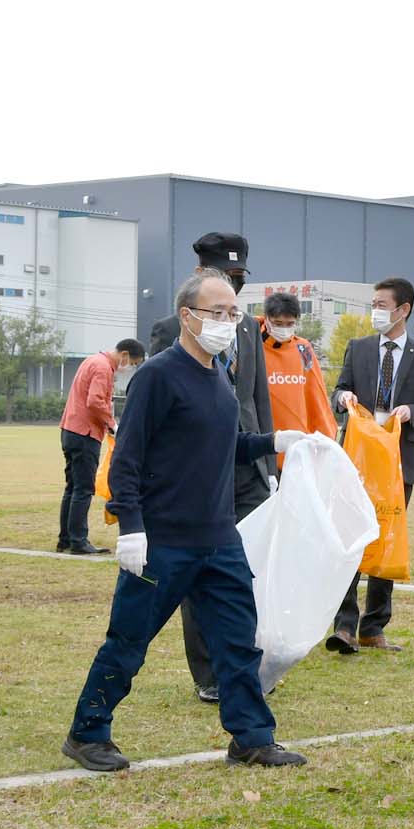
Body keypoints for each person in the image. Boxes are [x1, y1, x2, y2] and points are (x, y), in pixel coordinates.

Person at [64, 270, 310, 772]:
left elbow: (225, 445)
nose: (226, 321)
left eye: (232, 313)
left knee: (239, 641)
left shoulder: (220, 372)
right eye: (216, 312)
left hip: (219, 537)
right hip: (163, 540)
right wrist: (130, 526)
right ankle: (88, 731)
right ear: (187, 315)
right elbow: (128, 457)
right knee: (129, 639)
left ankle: (251, 736)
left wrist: (273, 442)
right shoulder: (158, 374)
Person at [148, 232, 274, 705]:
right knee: (197, 573)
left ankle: (243, 662)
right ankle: (208, 672)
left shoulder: (246, 327)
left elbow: (256, 397)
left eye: (240, 280)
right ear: (201, 275)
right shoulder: (169, 328)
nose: (234, 291)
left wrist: (270, 463)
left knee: (246, 568)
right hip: (199, 472)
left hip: (247, 464)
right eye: (226, 278)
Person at [327, 276, 414, 653]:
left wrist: (412, 412)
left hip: (398, 458)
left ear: (403, 309)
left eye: (381, 304)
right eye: (373, 304)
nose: (375, 310)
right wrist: (343, 395)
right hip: (358, 457)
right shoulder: (357, 348)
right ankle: (344, 625)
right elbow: (337, 390)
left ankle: (373, 627)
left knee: (386, 538)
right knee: (351, 539)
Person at [57, 338, 146, 554]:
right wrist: (112, 424)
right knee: (83, 488)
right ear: (124, 355)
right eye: (133, 363)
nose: (130, 368)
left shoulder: (92, 360)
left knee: (72, 487)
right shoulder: (103, 367)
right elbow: (95, 401)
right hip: (85, 433)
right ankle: (79, 540)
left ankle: (66, 538)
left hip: (70, 429)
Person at [260, 293, 337, 456]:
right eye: (278, 323)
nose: (284, 329)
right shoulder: (254, 345)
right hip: (264, 442)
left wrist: (326, 436)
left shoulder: (303, 348)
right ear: (266, 319)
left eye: (290, 324)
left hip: (299, 446)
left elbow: (316, 394)